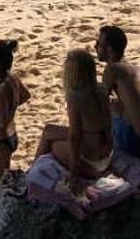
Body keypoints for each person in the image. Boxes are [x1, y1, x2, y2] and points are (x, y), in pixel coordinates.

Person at [35, 49, 114, 194]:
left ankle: (32, 173)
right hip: (107, 155)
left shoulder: (75, 98)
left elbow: (75, 138)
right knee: (48, 130)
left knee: (51, 142)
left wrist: (74, 174)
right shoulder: (102, 90)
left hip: (91, 163)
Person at [95, 24, 140, 161]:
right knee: (115, 105)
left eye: (98, 44)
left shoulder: (112, 69)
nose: (95, 48)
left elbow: (99, 103)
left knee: (103, 111)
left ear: (109, 49)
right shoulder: (134, 69)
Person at [0, 38, 30, 188]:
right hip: (9, 138)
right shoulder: (13, 77)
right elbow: (25, 95)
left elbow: (3, 121)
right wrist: (12, 107)